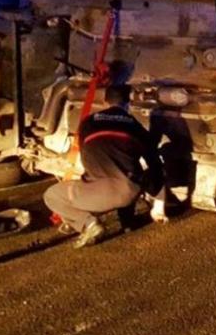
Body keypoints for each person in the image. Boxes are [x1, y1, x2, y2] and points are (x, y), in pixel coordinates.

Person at [44, 84, 166, 248]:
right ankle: (127, 223)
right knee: (127, 170)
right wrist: (158, 200)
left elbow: (86, 157)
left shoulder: (88, 123)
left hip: (98, 195)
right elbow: (154, 162)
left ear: (104, 101)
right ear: (128, 102)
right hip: (129, 191)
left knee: (52, 195)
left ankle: (88, 223)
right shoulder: (134, 125)